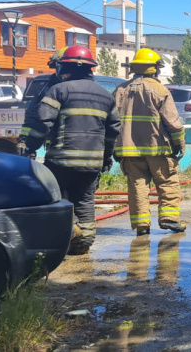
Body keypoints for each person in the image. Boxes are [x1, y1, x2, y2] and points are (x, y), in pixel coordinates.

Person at [20, 45, 121, 255]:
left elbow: (42, 122)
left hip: (61, 161)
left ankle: (71, 231)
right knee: (85, 201)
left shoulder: (57, 90)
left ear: (66, 68)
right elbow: (112, 132)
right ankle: (84, 239)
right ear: (90, 69)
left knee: (56, 199)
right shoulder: (106, 96)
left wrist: (29, 146)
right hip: (92, 162)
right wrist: (106, 158)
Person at [113, 48, 186, 236]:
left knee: (137, 186)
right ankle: (169, 219)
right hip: (158, 150)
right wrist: (179, 144)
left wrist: (114, 147)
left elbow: (111, 123)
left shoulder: (120, 90)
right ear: (154, 69)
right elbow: (173, 123)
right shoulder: (160, 90)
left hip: (129, 152)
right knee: (167, 182)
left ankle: (141, 226)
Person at [17, 46, 68, 158]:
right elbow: (35, 113)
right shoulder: (48, 86)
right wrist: (25, 141)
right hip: (54, 146)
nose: (62, 72)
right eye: (59, 67)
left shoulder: (84, 89)